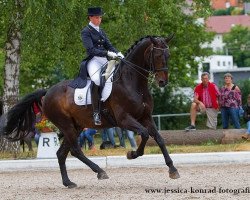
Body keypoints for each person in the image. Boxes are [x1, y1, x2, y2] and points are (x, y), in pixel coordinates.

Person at [81, 7, 124, 125]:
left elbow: (109, 45)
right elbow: (91, 50)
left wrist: (118, 53)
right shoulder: (86, 31)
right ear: (90, 17)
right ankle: (96, 112)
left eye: (100, 17)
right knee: (96, 80)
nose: (99, 19)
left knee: (118, 75)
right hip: (93, 60)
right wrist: (107, 53)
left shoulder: (101, 31)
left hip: (105, 60)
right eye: (96, 17)